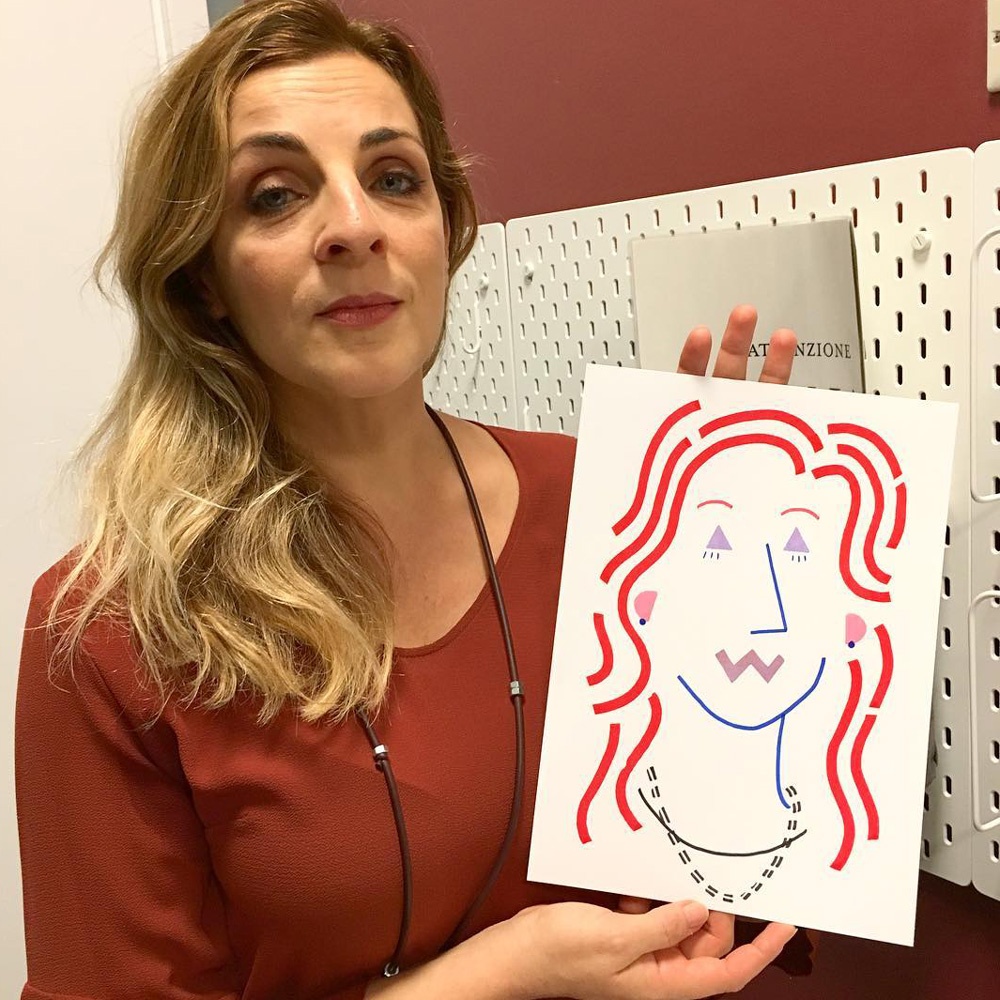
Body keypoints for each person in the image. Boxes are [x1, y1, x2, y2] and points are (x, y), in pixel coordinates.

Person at [15, 1, 808, 997]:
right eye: (274, 195)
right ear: (203, 276)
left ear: (446, 228)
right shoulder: (111, 633)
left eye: (394, 178)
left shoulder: (613, 506)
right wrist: (510, 972)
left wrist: (759, 586)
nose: (354, 227)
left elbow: (730, 850)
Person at [574, 402, 905, 900]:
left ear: (852, 627)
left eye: (798, 551)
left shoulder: (842, 863)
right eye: (717, 544)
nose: (763, 615)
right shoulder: (599, 828)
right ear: (645, 599)